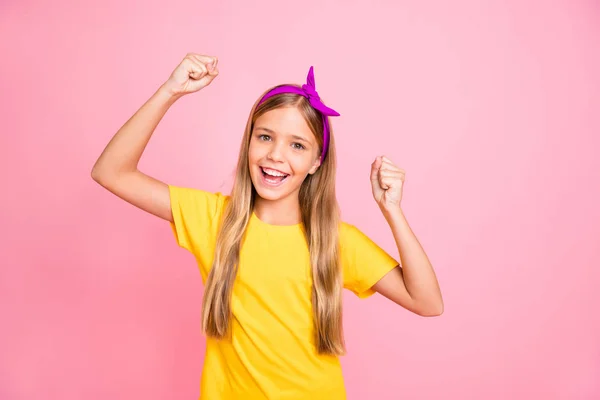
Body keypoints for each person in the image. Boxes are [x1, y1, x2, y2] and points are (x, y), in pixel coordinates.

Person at [91, 53, 443, 400]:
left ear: (316, 161)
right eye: (265, 137)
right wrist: (170, 91)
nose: (276, 155)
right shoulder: (214, 219)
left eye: (297, 145)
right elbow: (111, 172)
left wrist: (392, 210)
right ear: (248, 142)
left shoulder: (335, 242)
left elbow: (427, 302)